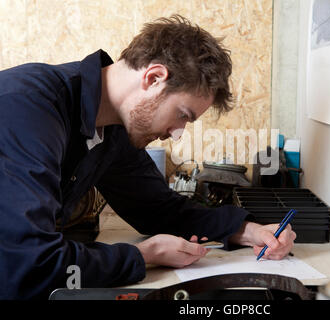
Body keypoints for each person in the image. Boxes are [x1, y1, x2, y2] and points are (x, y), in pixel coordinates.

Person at [0, 15, 296, 300]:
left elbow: (160, 209)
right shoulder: (28, 108)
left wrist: (244, 231)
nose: (176, 133)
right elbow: (29, 265)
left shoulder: (113, 129)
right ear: (154, 78)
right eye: (182, 115)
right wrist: (144, 255)